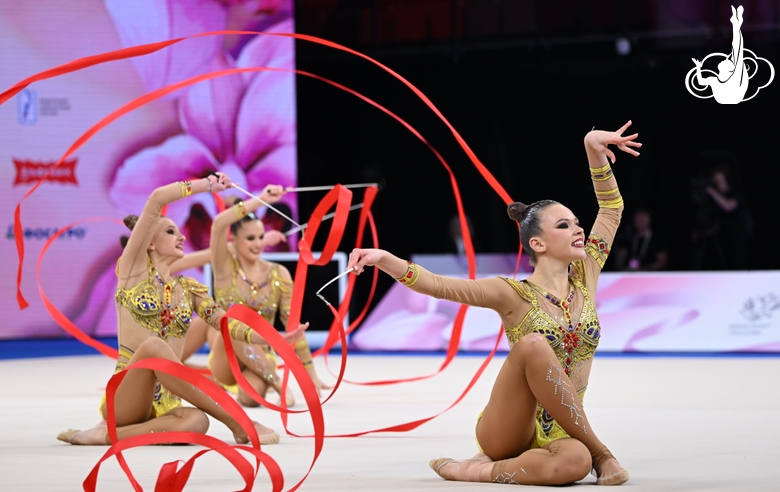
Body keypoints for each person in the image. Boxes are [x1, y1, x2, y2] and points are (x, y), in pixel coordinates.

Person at [347, 122, 640, 486]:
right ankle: (600, 454)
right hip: (507, 428)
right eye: (564, 226)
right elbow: (439, 286)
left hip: (562, 430)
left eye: (577, 223)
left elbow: (611, 208)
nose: (579, 229)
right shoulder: (510, 293)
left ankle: (483, 468)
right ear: (538, 244)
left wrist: (592, 149)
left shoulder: (586, 273)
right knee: (534, 344)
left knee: (573, 465)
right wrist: (383, 258)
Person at [56, 174, 308, 446]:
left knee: (198, 422)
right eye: (170, 231)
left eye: (178, 231)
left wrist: (269, 338)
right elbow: (156, 199)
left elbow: (225, 322)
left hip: (166, 402)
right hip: (127, 396)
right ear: (149, 243)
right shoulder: (132, 273)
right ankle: (236, 421)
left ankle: (106, 435)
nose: (181, 235)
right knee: (154, 346)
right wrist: (207, 185)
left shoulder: (189, 289)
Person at [206, 190, 332, 407]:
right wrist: (262, 200)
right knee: (234, 323)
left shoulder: (279, 272)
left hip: (261, 357)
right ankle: (278, 383)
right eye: (250, 238)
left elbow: (292, 323)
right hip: (226, 357)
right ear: (233, 240)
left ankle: (260, 383)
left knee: (251, 399)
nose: (258, 244)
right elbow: (218, 224)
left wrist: (310, 373)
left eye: (261, 237)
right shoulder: (225, 268)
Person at [692, 6, 748, 104]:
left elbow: (737, 47)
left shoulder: (732, 78)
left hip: (732, 97)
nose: (726, 59)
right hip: (727, 98)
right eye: (728, 60)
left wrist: (736, 25)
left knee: (737, 52)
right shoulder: (716, 80)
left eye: (727, 61)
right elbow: (701, 82)